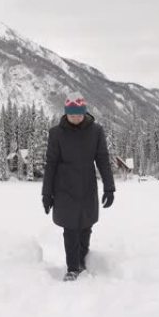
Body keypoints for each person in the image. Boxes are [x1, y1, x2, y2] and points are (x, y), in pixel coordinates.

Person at [41, 95, 116, 281]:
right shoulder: (56, 133)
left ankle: (82, 260)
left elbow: (102, 160)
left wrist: (109, 187)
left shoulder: (96, 131)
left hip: (87, 187)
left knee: (86, 226)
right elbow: (51, 163)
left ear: (84, 113)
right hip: (64, 188)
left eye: (78, 115)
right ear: (66, 113)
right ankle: (72, 268)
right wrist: (47, 193)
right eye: (71, 115)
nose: (75, 118)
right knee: (70, 229)